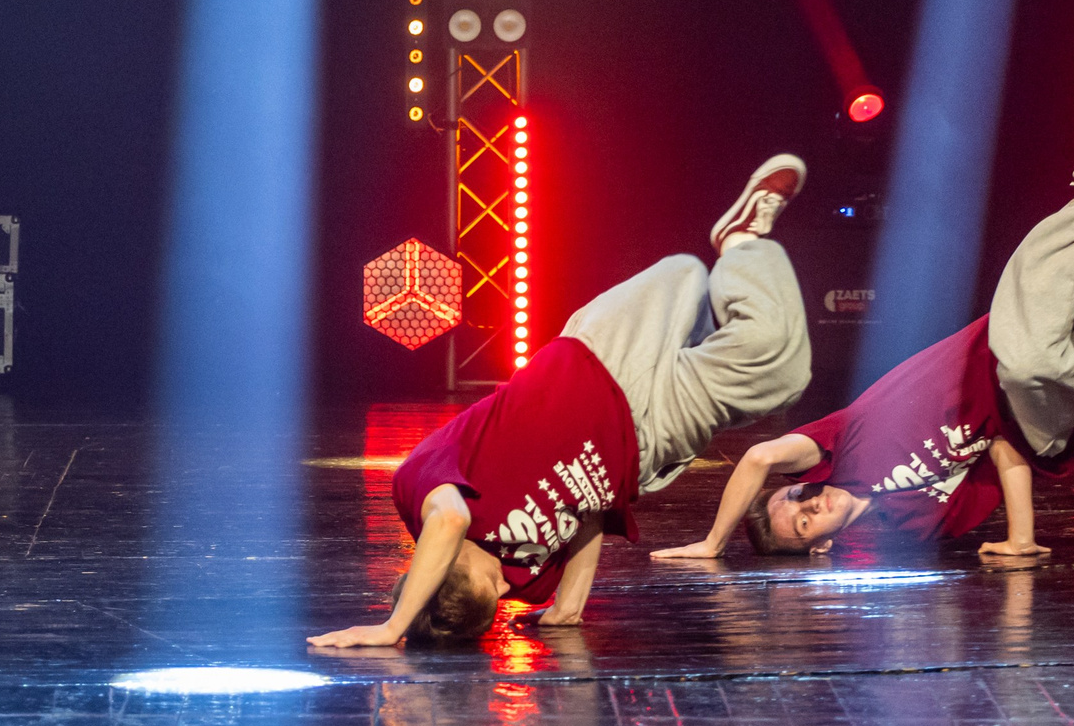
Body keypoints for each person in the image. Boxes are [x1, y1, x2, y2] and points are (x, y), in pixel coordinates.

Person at [655, 138, 1074, 565]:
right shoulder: (915, 524)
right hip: (1035, 414)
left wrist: (713, 542)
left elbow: (762, 456)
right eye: (801, 525)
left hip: (1018, 331)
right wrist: (1021, 539)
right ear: (821, 545)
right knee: (1027, 360)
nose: (806, 505)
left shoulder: (838, 444)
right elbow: (1000, 451)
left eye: (793, 499)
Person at [309, 153, 813, 646]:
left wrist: (393, 627)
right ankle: (743, 241)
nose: (509, 587)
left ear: (441, 565)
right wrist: (570, 603)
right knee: (783, 371)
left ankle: (718, 298)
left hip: (598, 362)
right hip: (646, 436)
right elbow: (587, 514)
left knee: (683, 275)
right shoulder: (525, 581)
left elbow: (452, 521)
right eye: (502, 598)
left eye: (493, 584)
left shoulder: (419, 495)